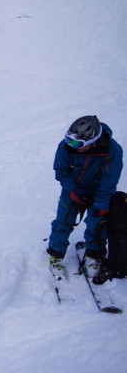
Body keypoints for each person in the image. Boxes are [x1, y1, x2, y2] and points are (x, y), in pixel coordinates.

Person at [47, 115, 123, 279]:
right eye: (69, 140)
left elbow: (110, 179)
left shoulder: (112, 150)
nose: (71, 145)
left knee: (97, 223)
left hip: (99, 191)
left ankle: (93, 255)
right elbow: (61, 170)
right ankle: (56, 254)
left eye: (77, 144)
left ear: (92, 141)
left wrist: (101, 203)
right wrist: (73, 190)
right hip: (73, 189)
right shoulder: (66, 147)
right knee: (63, 221)